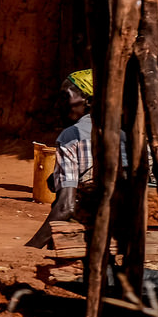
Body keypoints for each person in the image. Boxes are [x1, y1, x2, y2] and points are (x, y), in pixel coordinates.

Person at [30, 72, 96, 247]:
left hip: (90, 234)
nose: (59, 104)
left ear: (88, 101)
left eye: (65, 97)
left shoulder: (71, 136)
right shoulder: (128, 132)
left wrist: (30, 249)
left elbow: (66, 207)